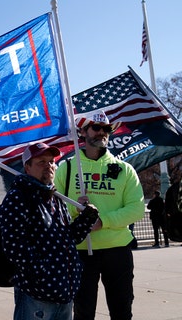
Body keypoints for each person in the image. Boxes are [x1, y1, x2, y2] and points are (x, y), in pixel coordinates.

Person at [55, 111, 145, 320]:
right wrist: (76, 210)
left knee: (122, 311)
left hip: (118, 250)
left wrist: (103, 221)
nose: (102, 132)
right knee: (83, 312)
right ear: (83, 132)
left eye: (106, 129)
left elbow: (136, 209)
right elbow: (55, 208)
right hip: (80, 252)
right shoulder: (66, 168)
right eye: (96, 127)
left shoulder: (124, 169)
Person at [0, 142, 99, 320]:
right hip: (37, 296)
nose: (49, 166)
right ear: (27, 168)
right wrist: (43, 274)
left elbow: (69, 238)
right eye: (41, 162)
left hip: (64, 292)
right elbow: (14, 247)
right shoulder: (19, 196)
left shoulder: (55, 198)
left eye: (51, 161)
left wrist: (86, 219)